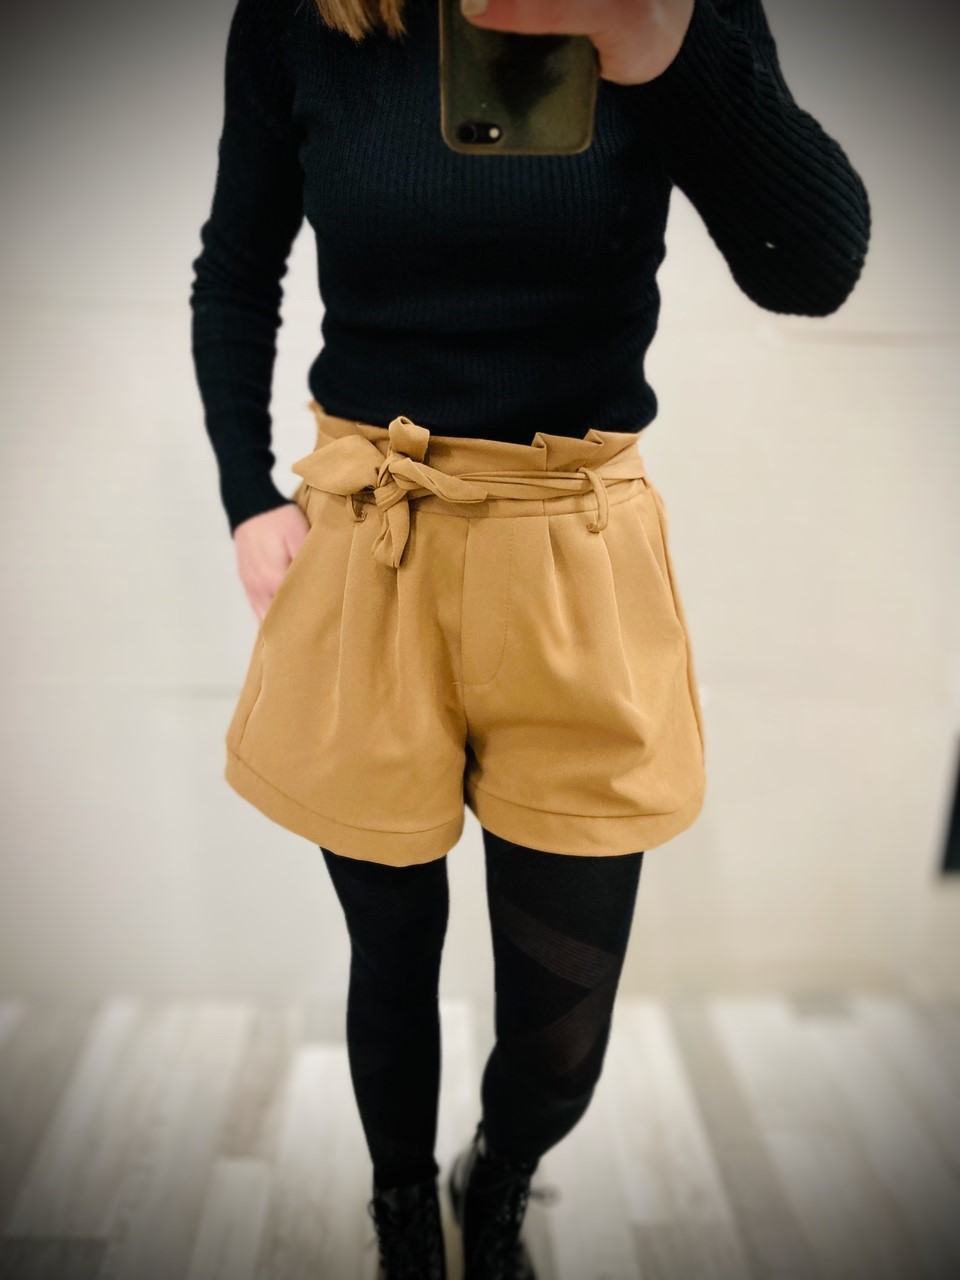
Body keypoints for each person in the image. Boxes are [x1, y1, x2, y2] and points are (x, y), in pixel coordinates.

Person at [189, 1, 871, 1276]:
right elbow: (237, 263)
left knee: (563, 1037)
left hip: (575, 551)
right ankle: (405, 1211)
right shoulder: (301, 15)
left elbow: (816, 263)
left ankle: (495, 1171)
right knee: (392, 950)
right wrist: (246, 494)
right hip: (375, 539)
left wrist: (668, 50)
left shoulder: (664, 6)